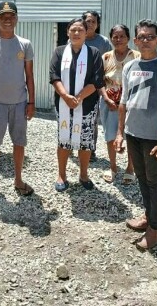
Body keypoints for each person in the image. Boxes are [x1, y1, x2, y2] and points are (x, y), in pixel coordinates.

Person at [114, 19, 157, 250]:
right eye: (141, 37)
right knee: (141, 178)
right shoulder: (131, 67)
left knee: (155, 181)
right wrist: (120, 133)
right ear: (135, 41)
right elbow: (124, 102)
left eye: (150, 36)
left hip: (154, 137)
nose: (145, 40)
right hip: (133, 133)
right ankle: (148, 216)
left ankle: (156, 229)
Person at [0, 1, 35, 200]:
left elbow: (29, 76)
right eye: (3, 16)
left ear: (17, 19)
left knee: (19, 142)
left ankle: (18, 179)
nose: (7, 20)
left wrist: (31, 102)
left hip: (19, 102)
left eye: (11, 16)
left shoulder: (25, 44)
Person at [50, 18, 104, 192]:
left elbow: (96, 80)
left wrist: (78, 98)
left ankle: (83, 174)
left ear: (86, 32)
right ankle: (61, 175)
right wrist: (66, 97)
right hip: (63, 104)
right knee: (63, 140)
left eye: (80, 30)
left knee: (85, 141)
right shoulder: (59, 52)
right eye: (73, 30)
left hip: (87, 105)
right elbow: (54, 76)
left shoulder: (94, 53)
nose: (76, 33)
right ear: (67, 32)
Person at [100, 24, 139, 185]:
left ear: (128, 38)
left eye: (122, 36)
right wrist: (107, 99)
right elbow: (99, 81)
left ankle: (130, 168)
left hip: (131, 103)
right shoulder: (106, 57)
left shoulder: (136, 56)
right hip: (110, 103)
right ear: (111, 38)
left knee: (130, 136)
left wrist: (132, 100)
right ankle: (113, 167)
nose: (118, 39)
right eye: (115, 36)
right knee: (110, 136)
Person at [82, 11, 113, 162]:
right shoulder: (76, 37)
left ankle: (90, 149)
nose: (90, 24)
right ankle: (73, 145)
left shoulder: (103, 42)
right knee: (75, 116)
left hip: (95, 85)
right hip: (77, 85)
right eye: (87, 21)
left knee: (92, 118)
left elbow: (108, 64)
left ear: (97, 24)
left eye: (93, 21)